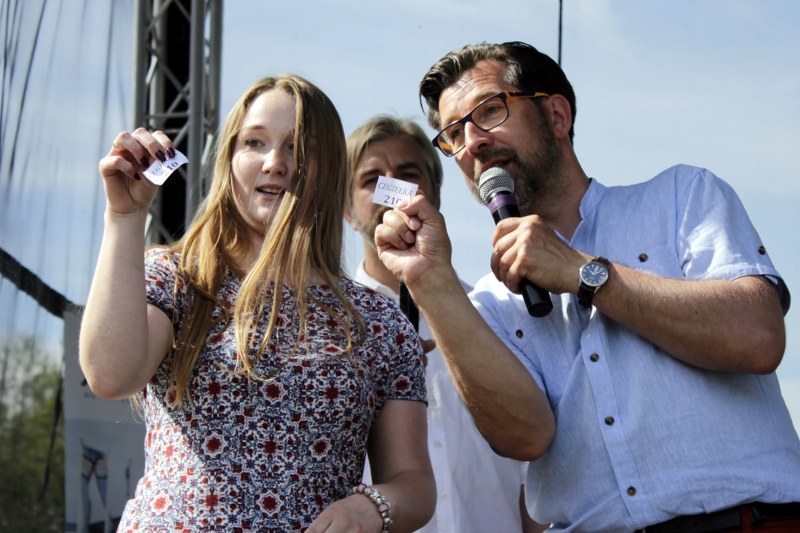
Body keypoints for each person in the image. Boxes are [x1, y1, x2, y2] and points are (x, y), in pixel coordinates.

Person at [374, 41, 800, 532]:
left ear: (557, 115)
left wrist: (583, 272)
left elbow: (758, 337)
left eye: (489, 111)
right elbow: (524, 438)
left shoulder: (681, 197)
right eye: (453, 133)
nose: (472, 142)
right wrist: (432, 281)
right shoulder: (486, 303)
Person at [79, 73, 436, 532]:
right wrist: (124, 217)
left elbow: (413, 483)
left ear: (329, 168)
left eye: (296, 147)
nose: (274, 163)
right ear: (229, 160)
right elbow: (110, 375)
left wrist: (371, 507)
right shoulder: (179, 277)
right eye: (254, 143)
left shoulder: (379, 321)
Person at [345, 115, 548, 532]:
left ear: (435, 192)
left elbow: (534, 477)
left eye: (408, 175)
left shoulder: (495, 311)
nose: (392, 189)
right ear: (347, 210)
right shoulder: (329, 332)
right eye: (372, 180)